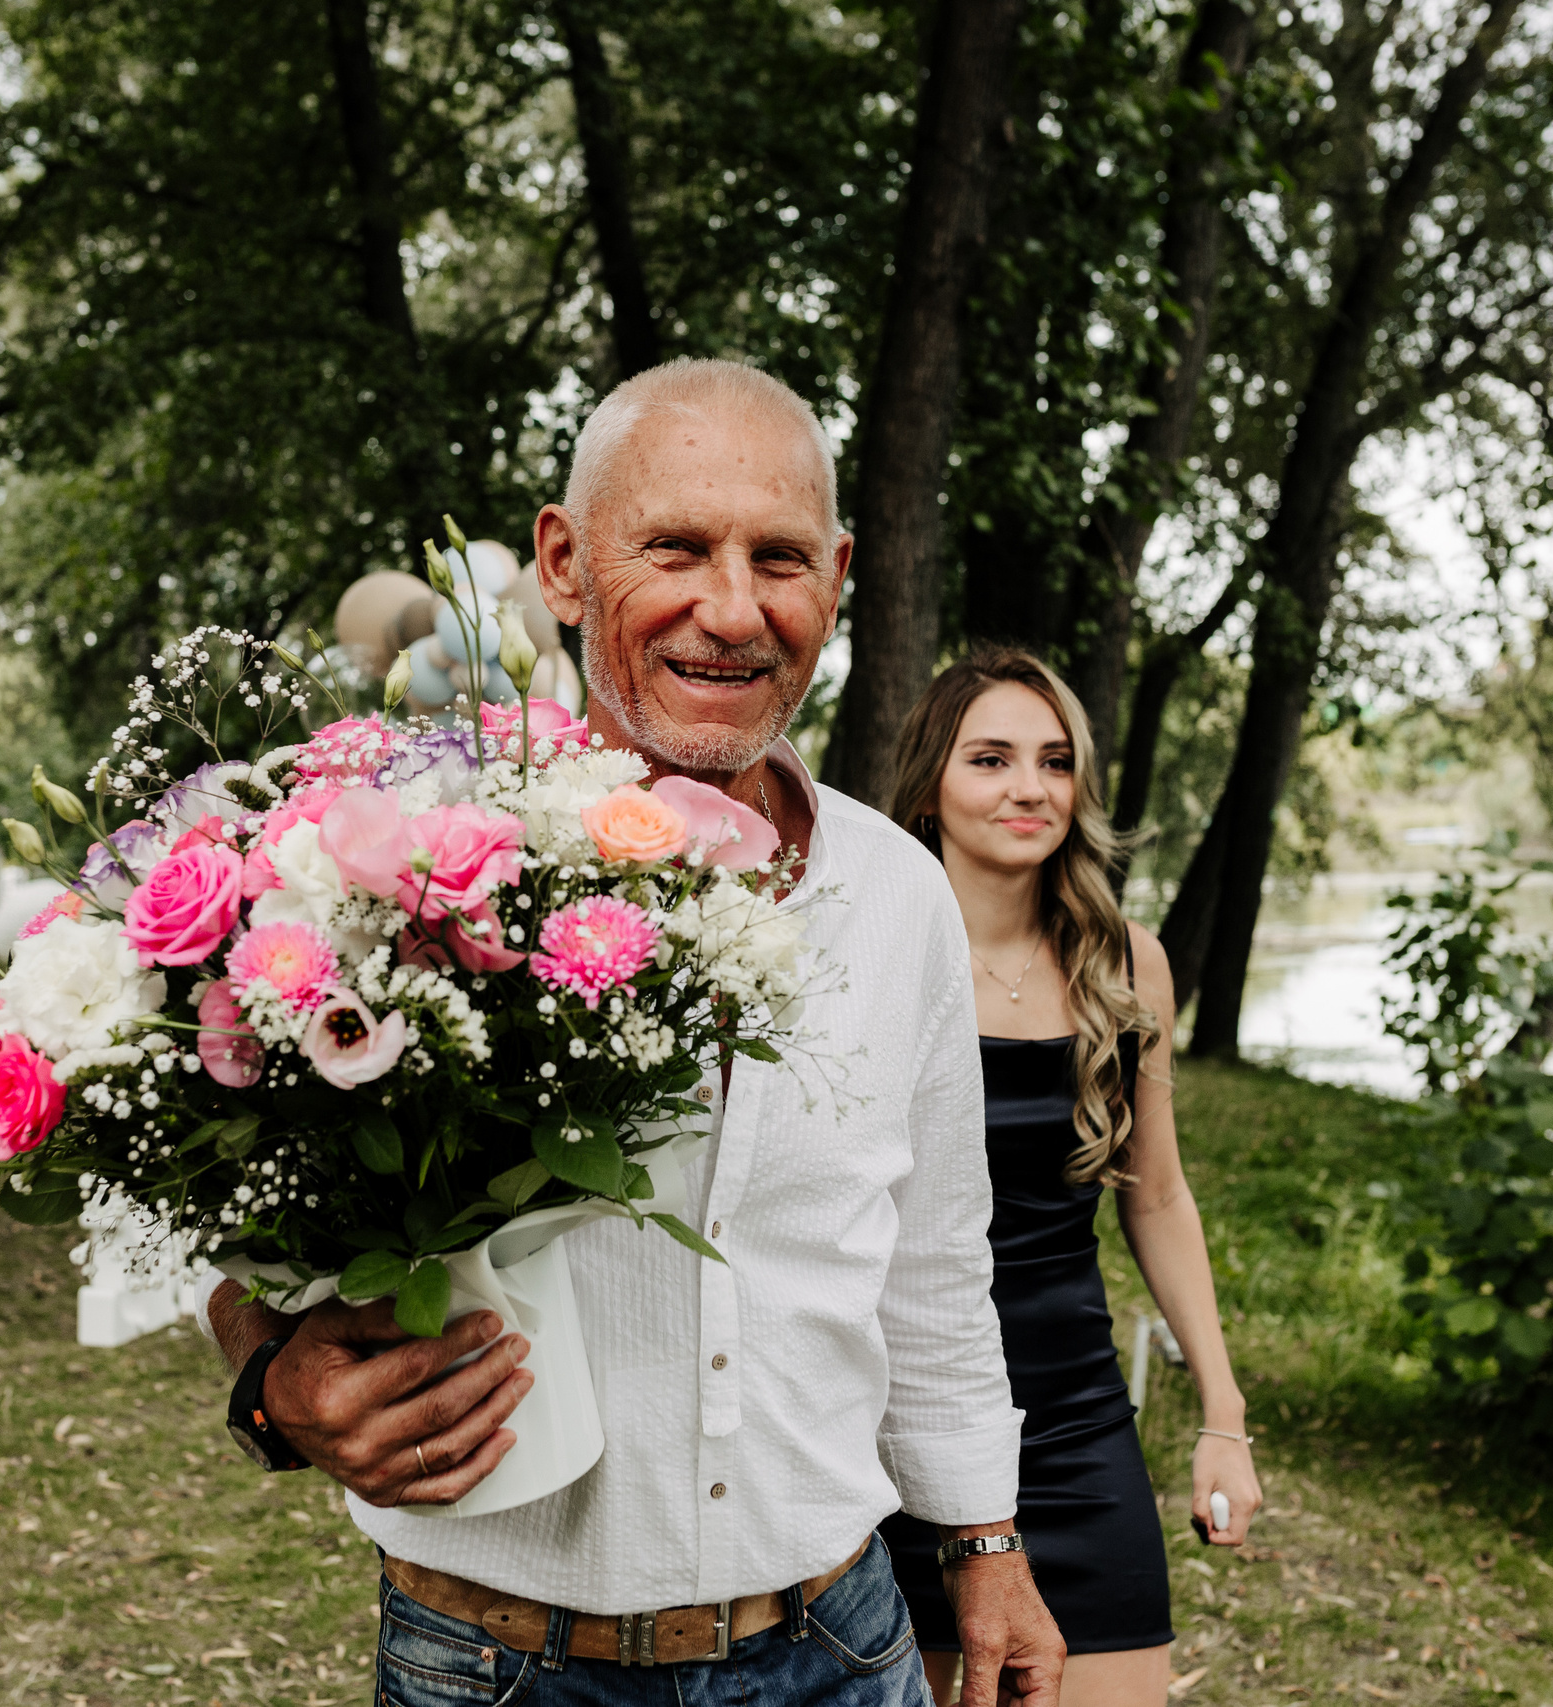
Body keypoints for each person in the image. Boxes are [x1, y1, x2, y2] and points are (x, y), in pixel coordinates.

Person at [201, 358, 1067, 1706]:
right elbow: (214, 1214)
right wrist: (269, 1377)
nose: (732, 608)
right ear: (560, 559)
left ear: (837, 577)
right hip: (492, 1662)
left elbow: (938, 1261)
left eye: (780, 557)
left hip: (840, 1644)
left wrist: (987, 1539)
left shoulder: (899, 890)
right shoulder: (399, 865)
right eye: (674, 546)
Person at [875, 648, 1263, 1706]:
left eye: (1053, 762)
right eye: (990, 758)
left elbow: (1159, 1196)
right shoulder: (868, 956)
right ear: (929, 785)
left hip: (1076, 1423)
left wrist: (1220, 1417)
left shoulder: (1124, 962)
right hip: (893, 1424)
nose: (1028, 788)